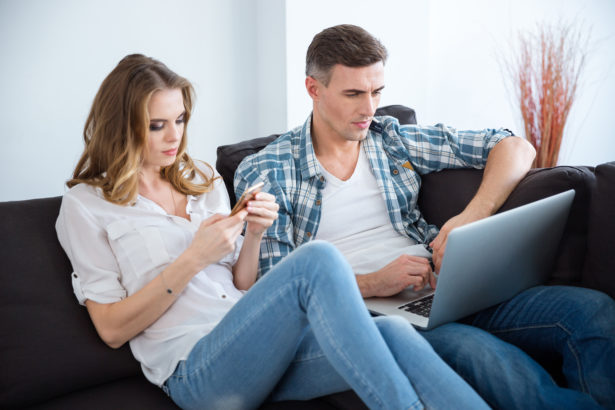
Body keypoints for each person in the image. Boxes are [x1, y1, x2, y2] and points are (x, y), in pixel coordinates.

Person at [55, 53, 489, 410]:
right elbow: (111, 330)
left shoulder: (201, 180)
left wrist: (256, 234)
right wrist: (193, 258)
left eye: (181, 119)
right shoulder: (87, 205)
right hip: (197, 371)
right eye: (157, 125)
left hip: (257, 345)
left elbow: (241, 284)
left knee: (395, 333)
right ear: (121, 124)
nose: (175, 137)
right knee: (318, 259)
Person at [235, 24, 615, 409]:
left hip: (443, 284)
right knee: (482, 355)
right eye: (353, 93)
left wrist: (471, 216)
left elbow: (514, 146)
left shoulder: (390, 138)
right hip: (367, 313)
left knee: (592, 312)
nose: (369, 108)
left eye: (376, 91)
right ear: (313, 89)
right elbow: (273, 284)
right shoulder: (268, 170)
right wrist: (373, 283)